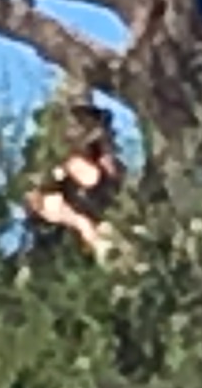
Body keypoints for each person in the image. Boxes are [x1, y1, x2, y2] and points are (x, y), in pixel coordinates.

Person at [21, 94, 127, 263]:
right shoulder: (62, 173)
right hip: (75, 247)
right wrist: (78, 222)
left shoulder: (112, 168)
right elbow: (36, 199)